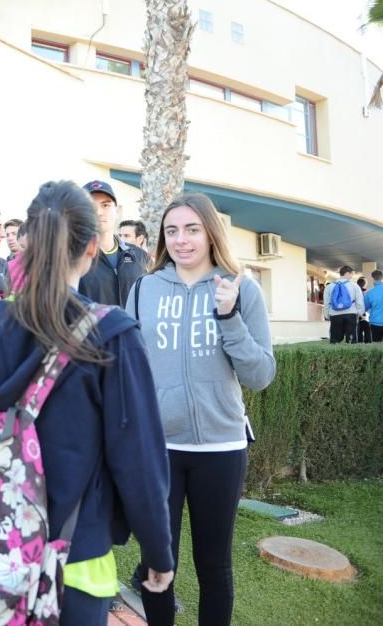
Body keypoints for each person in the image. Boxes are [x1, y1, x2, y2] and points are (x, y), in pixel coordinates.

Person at [0, 181, 174, 625]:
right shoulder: (110, 332)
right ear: (93, 247)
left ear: (27, 240)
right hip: (77, 554)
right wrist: (158, 548)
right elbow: (137, 456)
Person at [128, 192, 276, 626]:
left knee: (214, 566)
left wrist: (228, 315)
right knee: (158, 566)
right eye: (172, 231)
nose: (181, 240)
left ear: (211, 232)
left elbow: (260, 374)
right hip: (159, 449)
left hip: (221, 447)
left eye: (192, 229)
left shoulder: (241, 288)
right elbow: (129, 369)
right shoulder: (143, 290)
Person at [78, 181, 150, 307]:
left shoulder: (139, 256)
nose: (99, 212)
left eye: (105, 205)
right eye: (90, 206)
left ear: (116, 211)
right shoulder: (72, 258)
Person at [322, 265, 365, 344]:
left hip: (334, 314)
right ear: (347, 273)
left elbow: (327, 303)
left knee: (335, 340)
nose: (353, 275)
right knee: (351, 340)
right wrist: (359, 313)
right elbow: (359, 302)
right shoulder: (354, 286)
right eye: (352, 273)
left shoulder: (329, 287)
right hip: (351, 314)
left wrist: (327, 315)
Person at [365, 270, 383, 342]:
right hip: (375, 322)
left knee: (376, 347)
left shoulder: (369, 293)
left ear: (372, 278)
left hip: (375, 322)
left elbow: (365, 307)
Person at [356, 277, 372, 343]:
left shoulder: (355, 292)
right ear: (365, 284)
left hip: (357, 313)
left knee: (358, 330)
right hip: (366, 313)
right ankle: (368, 343)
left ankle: (359, 342)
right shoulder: (368, 292)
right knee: (367, 330)